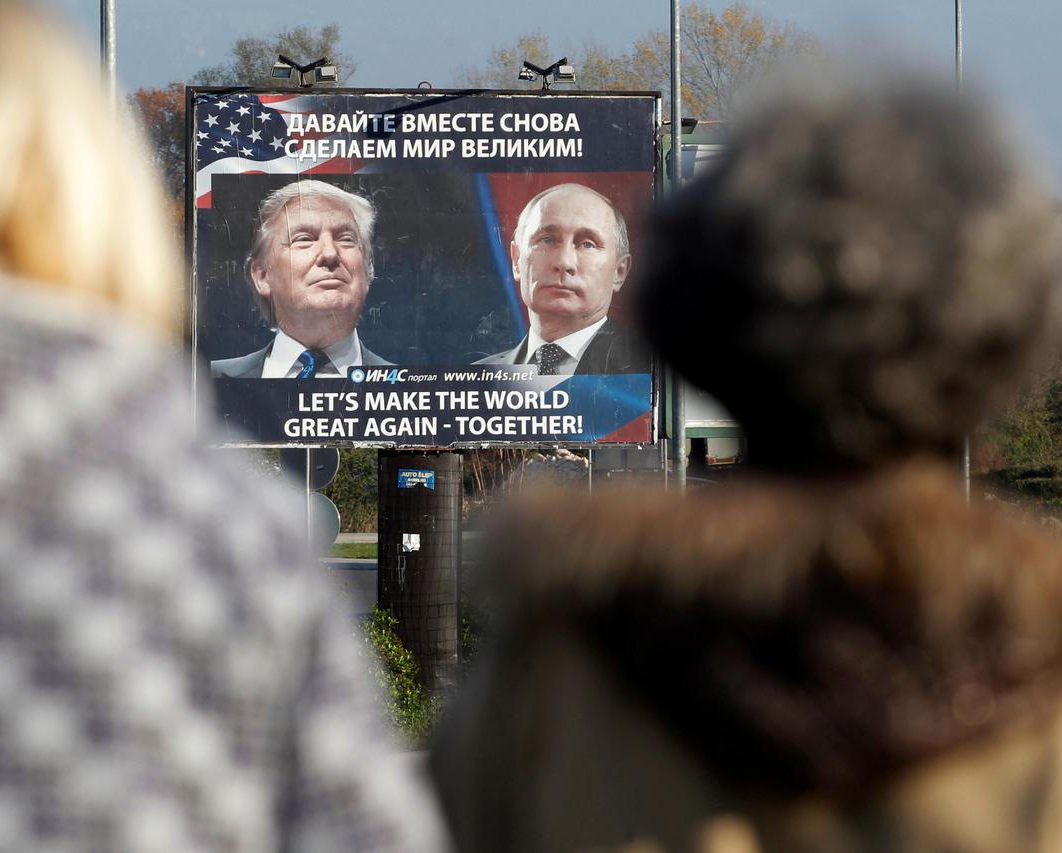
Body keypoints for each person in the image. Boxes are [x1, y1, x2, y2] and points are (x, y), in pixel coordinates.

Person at [0, 1, 450, 850]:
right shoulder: (234, 546)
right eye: (304, 238)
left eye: (345, 239)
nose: (328, 257)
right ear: (85, 189)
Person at [430, 72, 1062, 852]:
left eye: (587, 241)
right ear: (1003, 347)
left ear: (683, 315)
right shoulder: (1037, 684)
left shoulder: (546, 691)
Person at [211, 180, 392, 378]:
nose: (330, 253)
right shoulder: (208, 382)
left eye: (345, 238)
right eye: (304, 239)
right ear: (263, 276)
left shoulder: (412, 388)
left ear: (367, 271)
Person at [475, 182, 649, 375]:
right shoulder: (474, 379)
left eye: (587, 244)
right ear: (516, 260)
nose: (564, 262)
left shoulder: (655, 370)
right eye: (547, 240)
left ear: (619, 271)